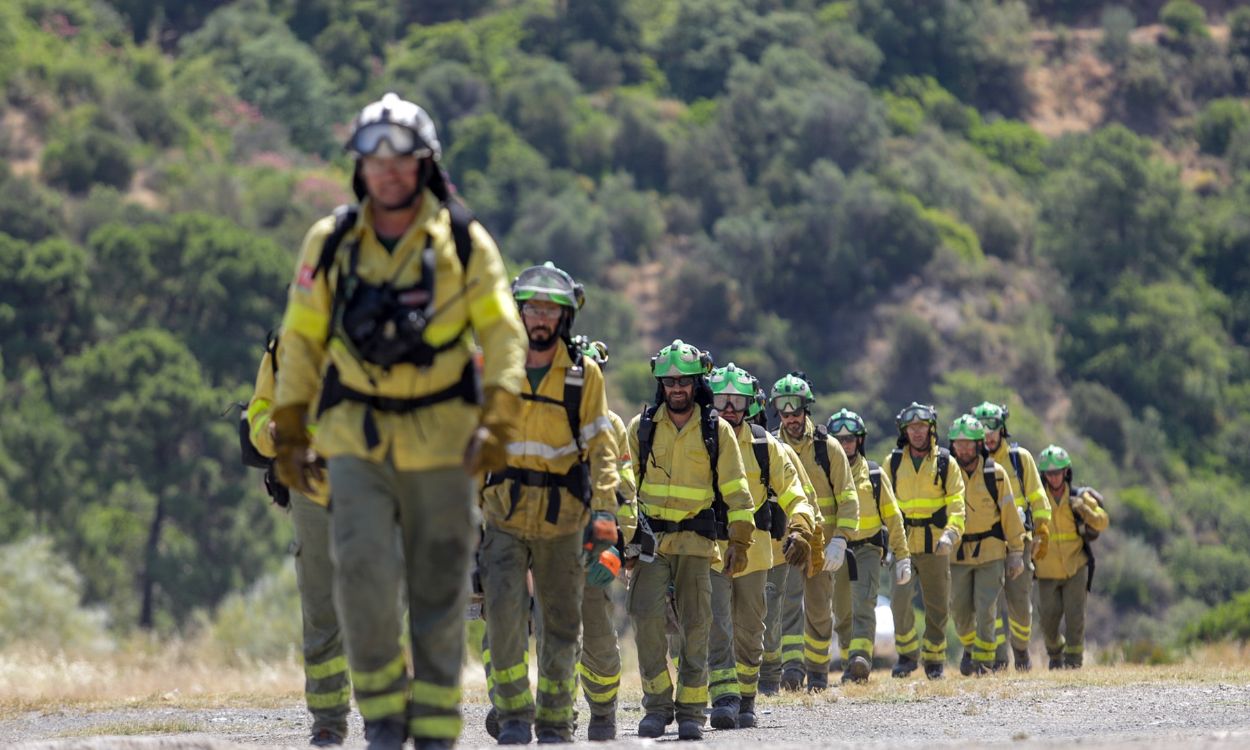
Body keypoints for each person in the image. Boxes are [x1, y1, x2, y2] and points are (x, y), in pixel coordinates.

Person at [271, 92, 527, 750]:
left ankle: (437, 729)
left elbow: (502, 332)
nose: (387, 172)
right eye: (373, 161)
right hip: (355, 435)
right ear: (359, 169)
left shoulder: (465, 244)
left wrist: (498, 416)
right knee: (359, 571)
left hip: (445, 439)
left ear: (424, 166)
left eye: (402, 160)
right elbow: (299, 340)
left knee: (440, 581)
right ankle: (383, 716)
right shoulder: (329, 244)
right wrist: (291, 426)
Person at [478, 264, 619, 745]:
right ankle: (515, 717)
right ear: (518, 312)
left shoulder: (583, 375)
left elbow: (602, 448)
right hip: (503, 515)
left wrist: (605, 516)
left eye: (549, 310)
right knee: (502, 620)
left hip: (563, 520)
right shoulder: (495, 368)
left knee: (561, 626)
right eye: (532, 308)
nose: (540, 318)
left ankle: (555, 723)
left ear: (564, 317)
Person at [626, 340, 755, 741]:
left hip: (698, 545)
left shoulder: (716, 431)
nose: (676, 389)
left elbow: (737, 491)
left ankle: (691, 712)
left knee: (697, 627)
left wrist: (740, 541)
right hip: (652, 544)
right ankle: (657, 705)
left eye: (683, 382)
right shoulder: (642, 427)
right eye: (668, 382)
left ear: (697, 383)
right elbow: (625, 487)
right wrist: (623, 538)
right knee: (644, 618)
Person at [246, 332, 350, 747]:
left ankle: (388, 711)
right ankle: (328, 720)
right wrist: (270, 432)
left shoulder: (385, 330)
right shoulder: (287, 345)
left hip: (374, 489)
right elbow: (257, 413)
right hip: (312, 491)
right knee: (321, 608)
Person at [705, 364, 815, 729]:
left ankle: (747, 697)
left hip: (757, 554)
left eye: (738, 400)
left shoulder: (767, 447)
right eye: (722, 399)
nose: (730, 407)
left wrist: (800, 528)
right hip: (713, 551)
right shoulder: (700, 441)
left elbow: (795, 492)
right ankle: (724, 697)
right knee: (718, 625)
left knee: (752, 629)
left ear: (750, 403)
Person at [770, 373, 859, 692]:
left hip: (823, 544)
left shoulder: (828, 448)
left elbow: (849, 497)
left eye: (796, 410)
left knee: (821, 610)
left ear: (807, 409)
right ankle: (792, 669)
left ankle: (819, 672)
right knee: (788, 606)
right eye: (784, 410)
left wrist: (841, 539)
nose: (791, 417)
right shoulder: (770, 445)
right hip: (788, 541)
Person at [825, 409, 910, 684]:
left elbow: (893, 515)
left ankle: (860, 661)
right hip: (835, 550)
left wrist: (903, 554)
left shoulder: (873, 473)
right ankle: (852, 663)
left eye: (850, 438)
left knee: (864, 605)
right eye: (839, 439)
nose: (845, 443)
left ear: (859, 440)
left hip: (867, 550)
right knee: (842, 612)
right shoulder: (825, 474)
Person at [885, 402, 966, 680]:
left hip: (936, 544)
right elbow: (883, 503)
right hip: (902, 544)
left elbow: (957, 502)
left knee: (938, 605)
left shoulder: (946, 462)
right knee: (899, 600)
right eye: (912, 427)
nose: (917, 432)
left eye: (922, 426)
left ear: (931, 428)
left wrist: (952, 533)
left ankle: (934, 661)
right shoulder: (893, 462)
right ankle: (907, 656)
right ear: (904, 430)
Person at [970, 402, 1052, 671]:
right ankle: (998, 658)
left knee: (1019, 603)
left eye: (993, 426)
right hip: (987, 542)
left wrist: (1042, 529)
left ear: (1002, 427)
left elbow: (1038, 497)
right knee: (987, 601)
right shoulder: (970, 463)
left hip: (1020, 540)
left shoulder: (1020, 458)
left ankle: (1021, 651)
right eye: (982, 428)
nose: (988, 434)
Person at [944, 415, 1025, 677]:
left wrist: (1016, 553)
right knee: (960, 613)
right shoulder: (946, 473)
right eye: (959, 444)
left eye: (969, 444)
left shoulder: (996, 474)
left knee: (987, 608)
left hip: (991, 551)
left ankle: (983, 664)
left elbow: (1011, 516)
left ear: (979, 444)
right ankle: (970, 648)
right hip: (957, 554)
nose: (964, 449)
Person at [1034, 445, 1109, 669]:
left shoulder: (1080, 497)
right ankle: (1055, 655)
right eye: (1049, 473)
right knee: (1048, 623)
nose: (1054, 477)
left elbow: (1102, 521)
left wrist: (1086, 511)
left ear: (1066, 472)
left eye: (1058, 472)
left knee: (1076, 619)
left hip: (1076, 567)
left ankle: (1074, 663)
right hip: (1046, 571)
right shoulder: (1036, 500)